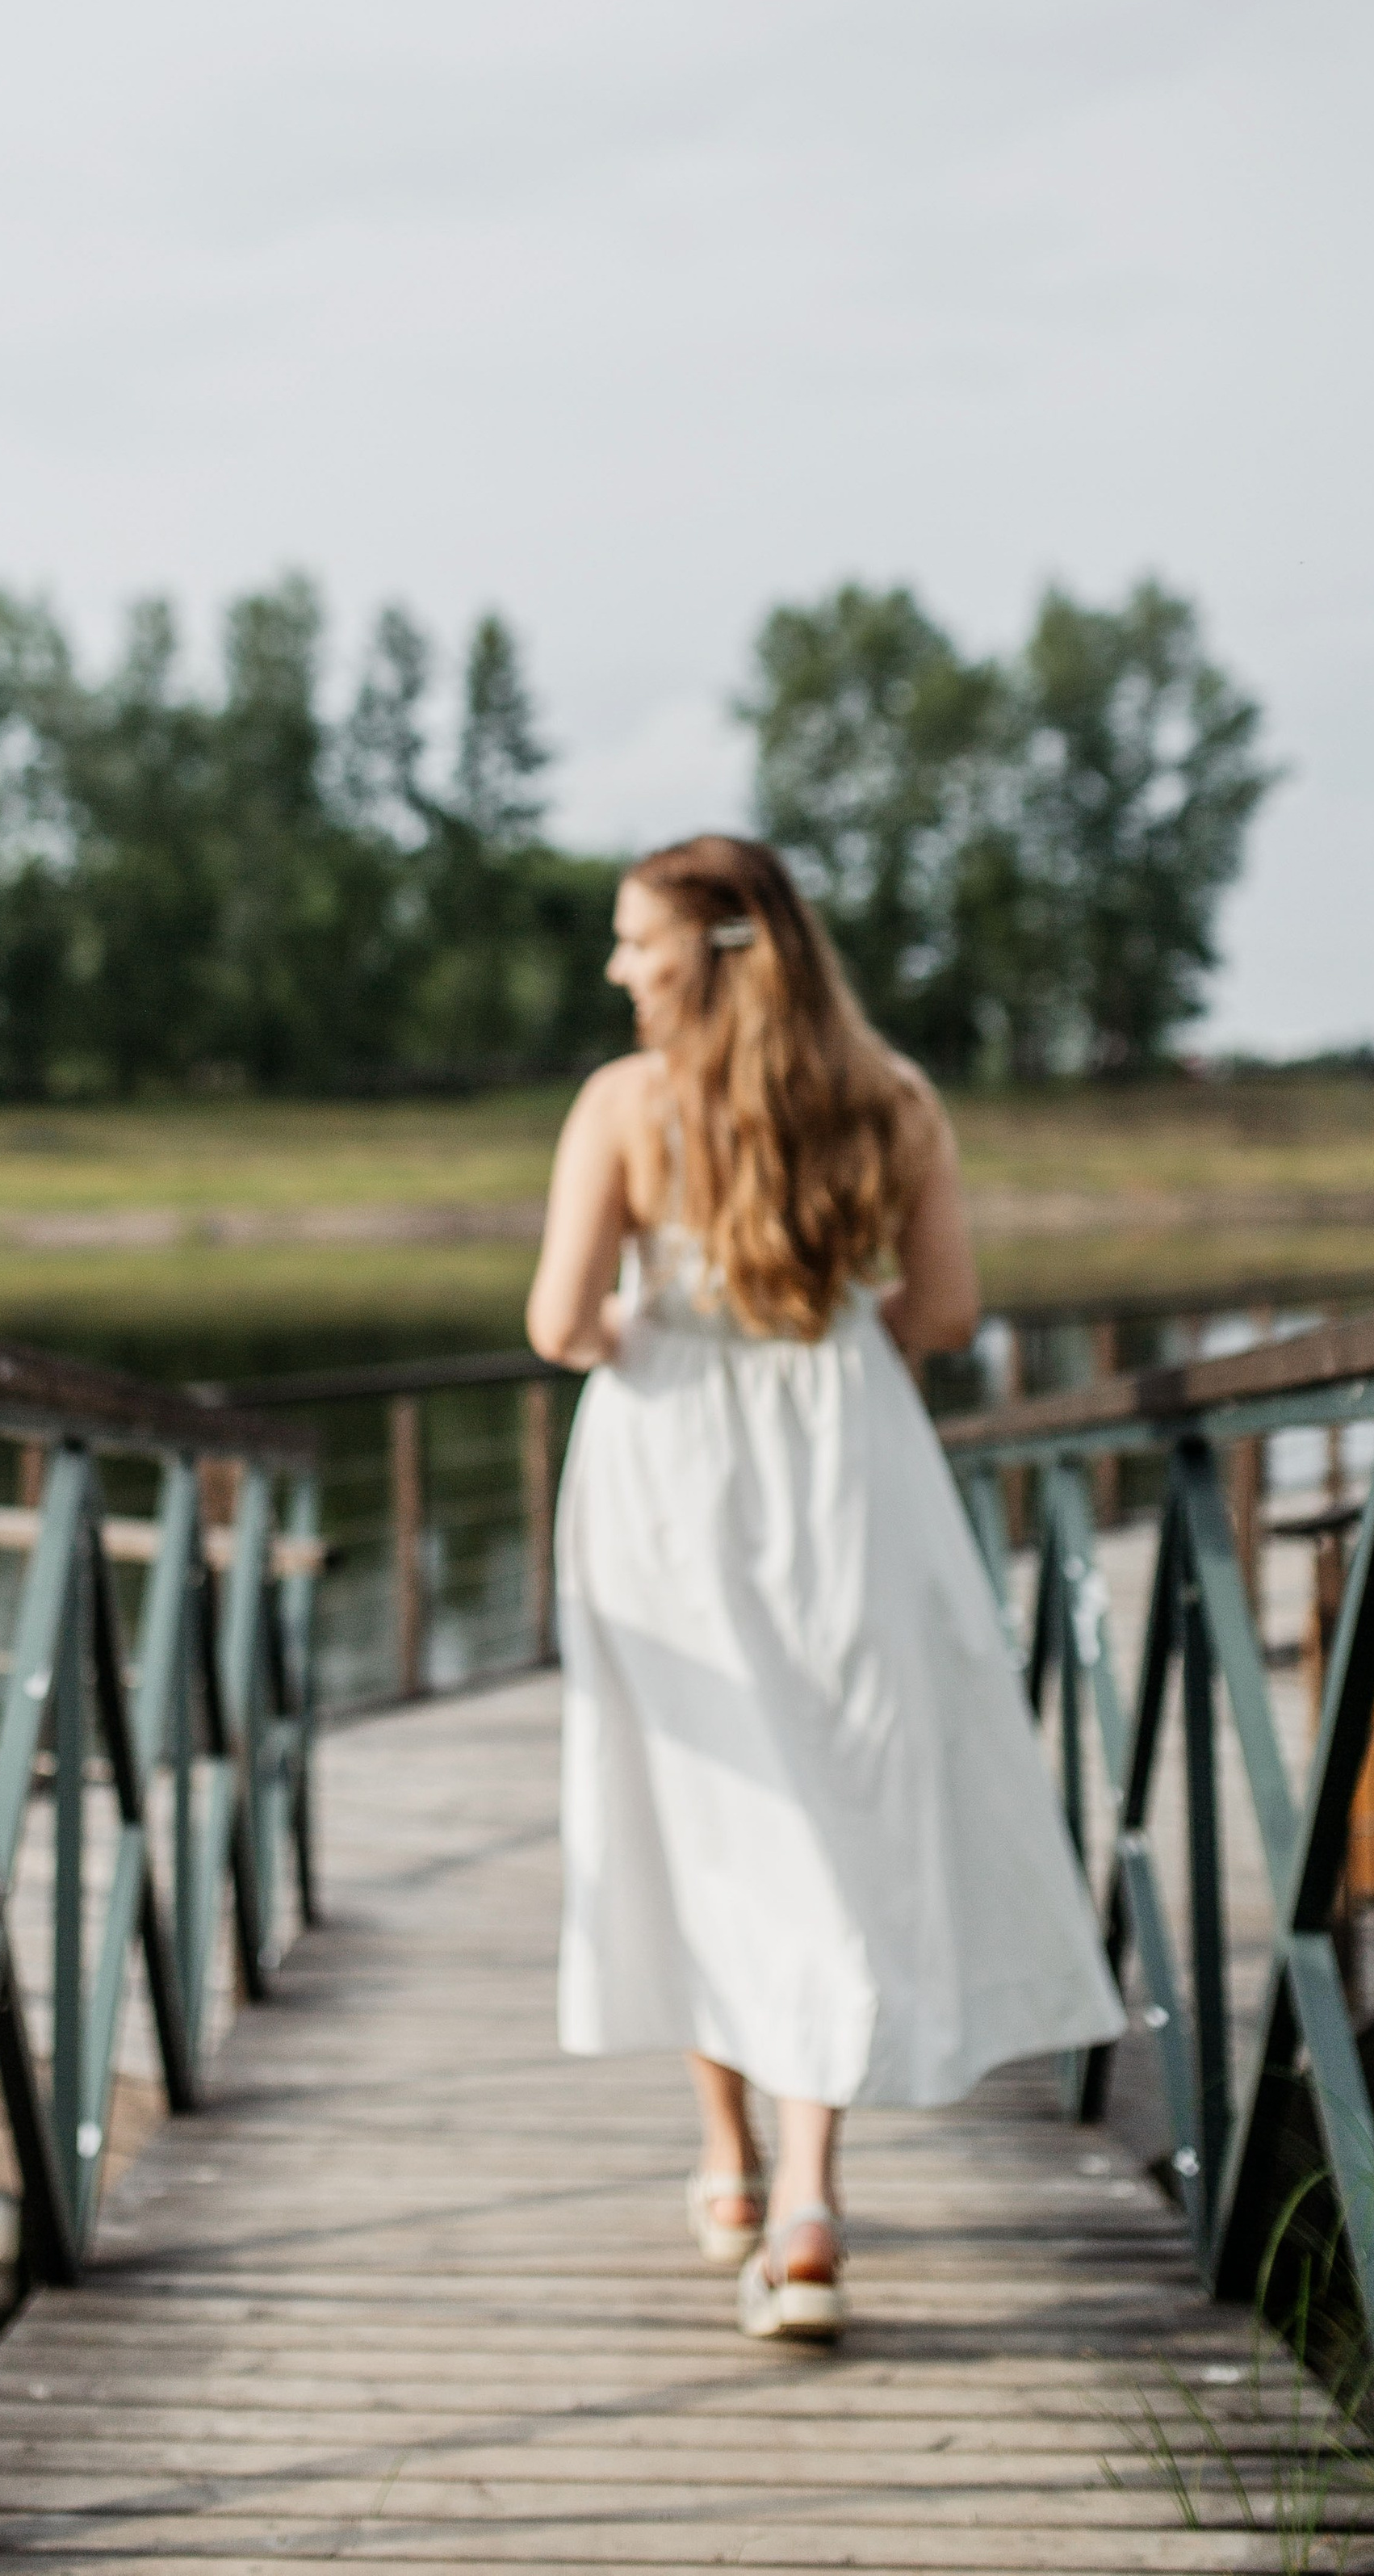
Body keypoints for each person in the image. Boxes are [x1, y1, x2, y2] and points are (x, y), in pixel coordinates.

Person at [526, 834, 1122, 2343]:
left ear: (709, 953)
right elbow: (946, 1313)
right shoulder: (895, 1100)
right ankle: (804, 2198)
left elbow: (554, 1324)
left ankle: (723, 2164)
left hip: (670, 1473)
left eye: (634, 942)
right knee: (838, 1802)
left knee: (704, 1799)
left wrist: (630, 1320)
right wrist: (817, 1308)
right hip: (848, 1459)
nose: (616, 968)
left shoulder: (624, 1107)